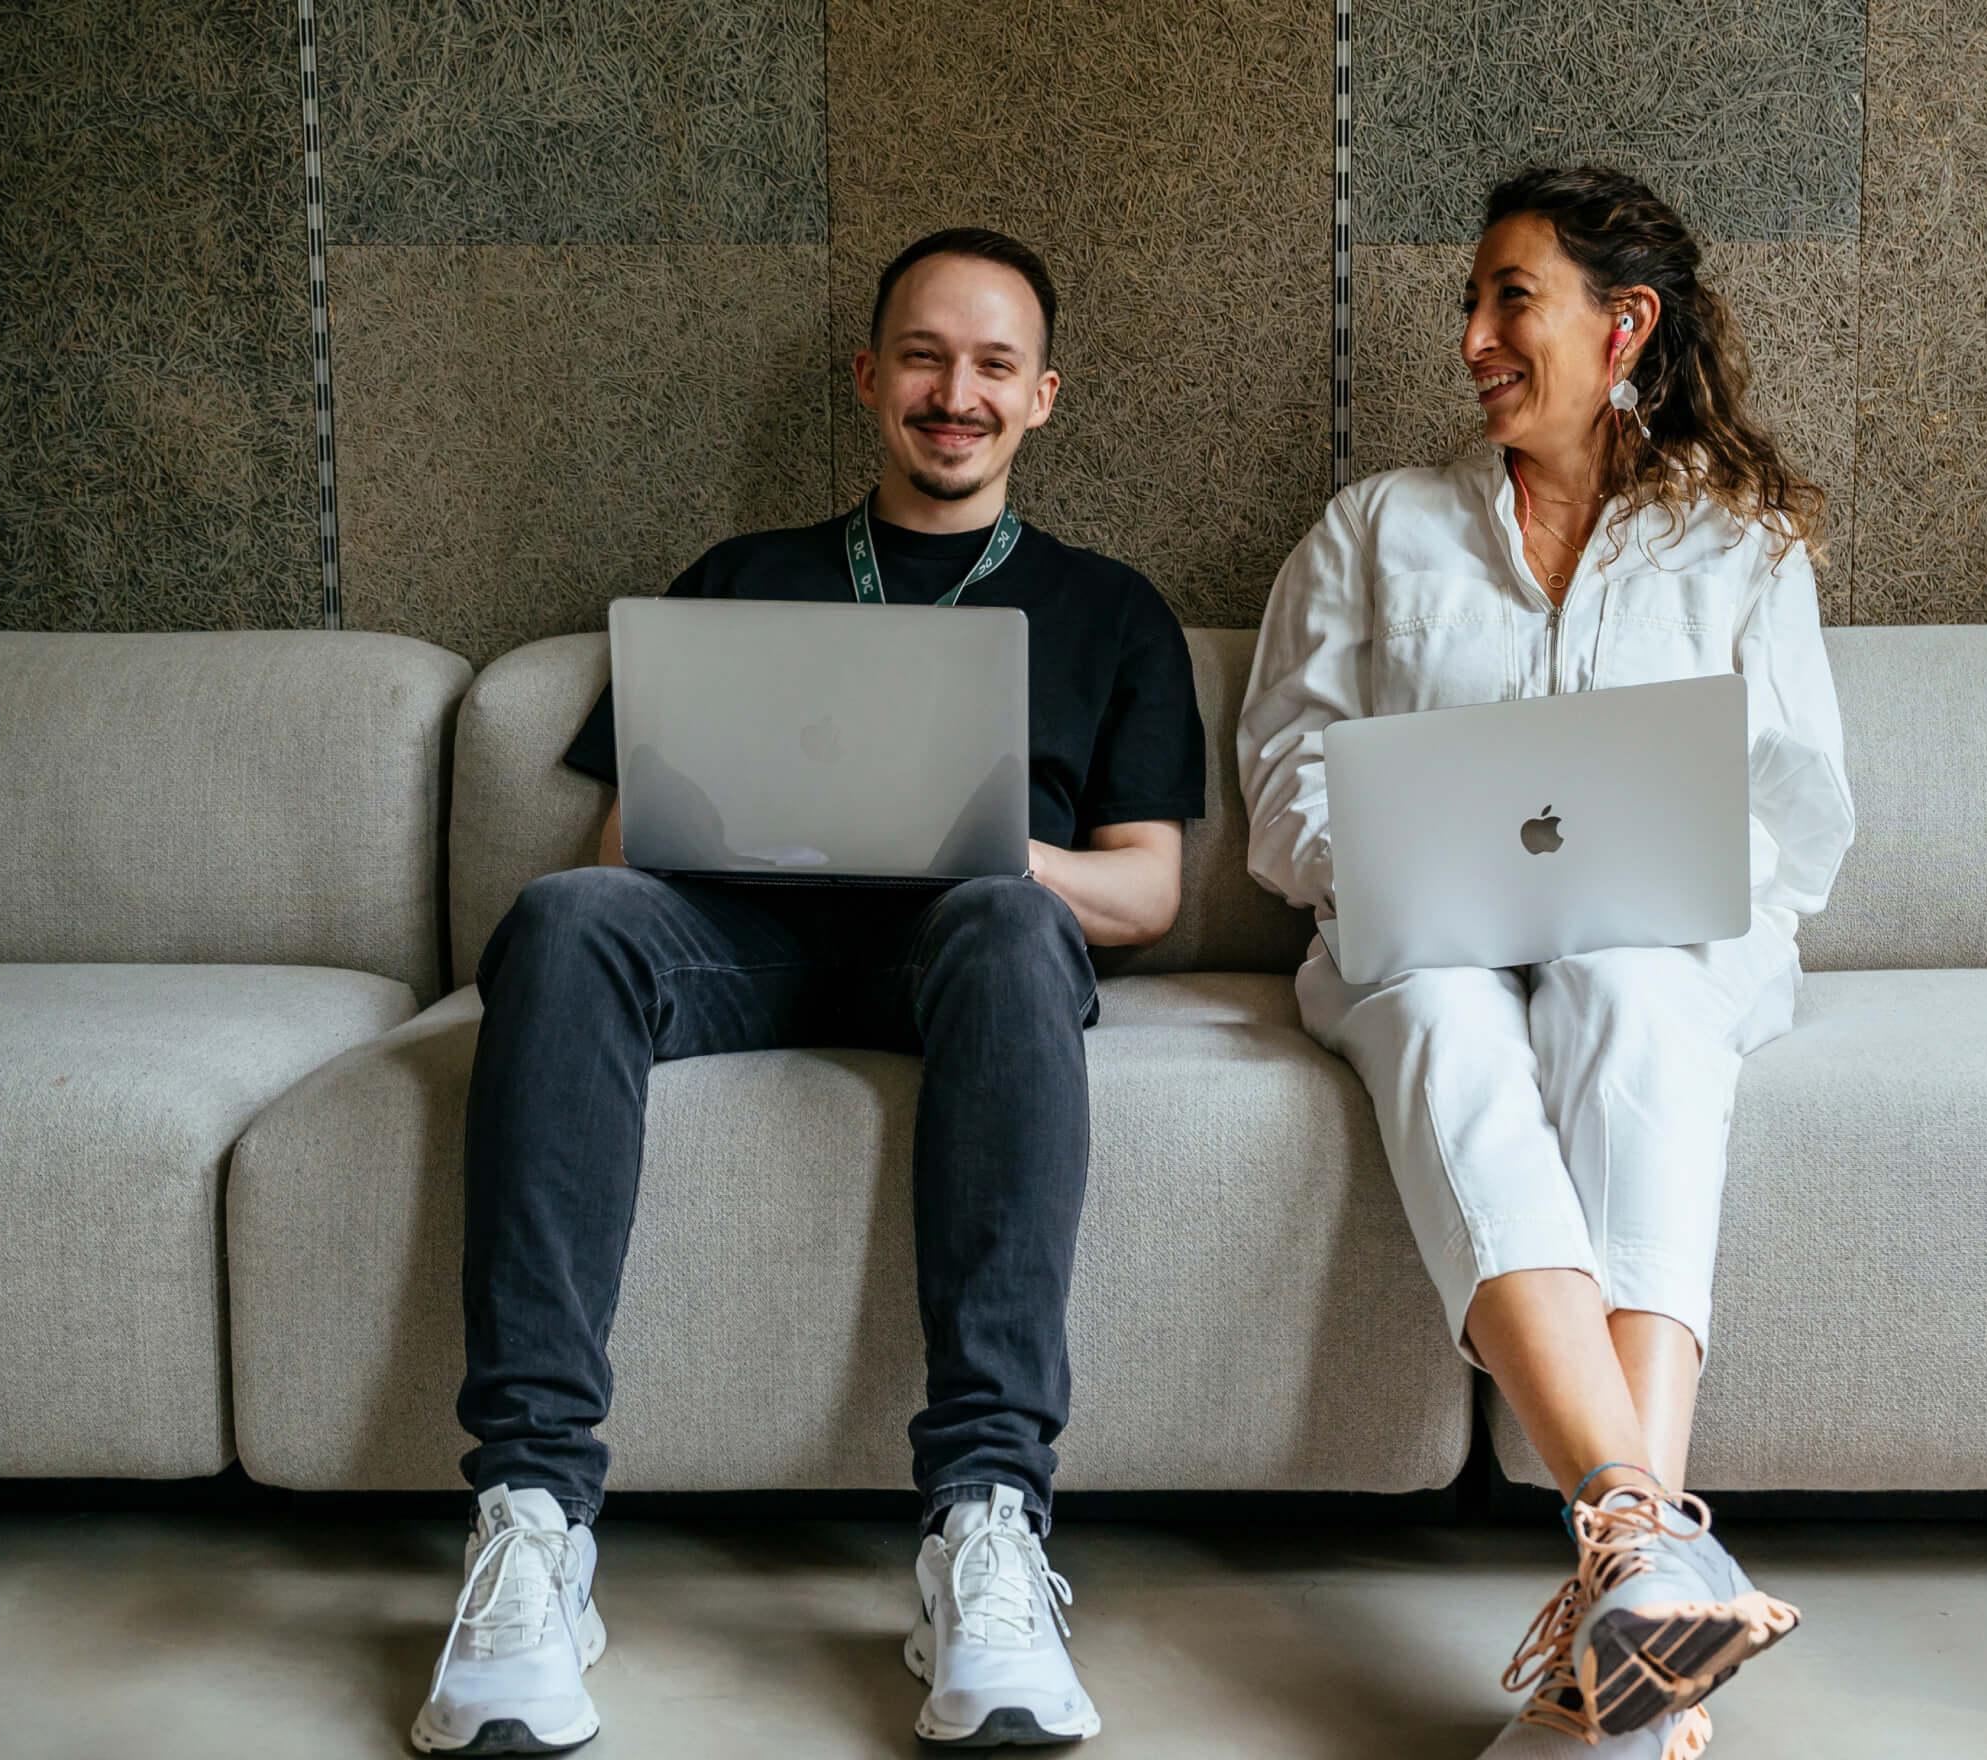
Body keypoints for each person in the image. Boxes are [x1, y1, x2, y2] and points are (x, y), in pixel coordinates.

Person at [413, 227, 1206, 1756]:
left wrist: (998, 857)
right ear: (869, 378)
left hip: (971, 961)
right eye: (923, 357)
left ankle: (986, 1525)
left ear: (1044, 395)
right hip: (747, 944)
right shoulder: (741, 579)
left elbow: (1149, 893)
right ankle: (530, 1524)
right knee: (567, 920)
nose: (953, 393)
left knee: (1007, 920)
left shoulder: (1111, 610)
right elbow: (620, 850)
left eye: (991, 365)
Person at [1238, 165, 1856, 1759]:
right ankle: (1646, 1554)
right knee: (1445, 1018)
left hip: (1660, 942)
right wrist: (1381, 857)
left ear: (1620, 323)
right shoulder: (1375, 529)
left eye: (1511, 296)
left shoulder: (1741, 548)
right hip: (1419, 941)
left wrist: (1678, 880)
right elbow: (1286, 780)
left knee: (1639, 993)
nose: (1473, 336)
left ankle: (1624, 1585)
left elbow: (1800, 814)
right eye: (1476, 299)